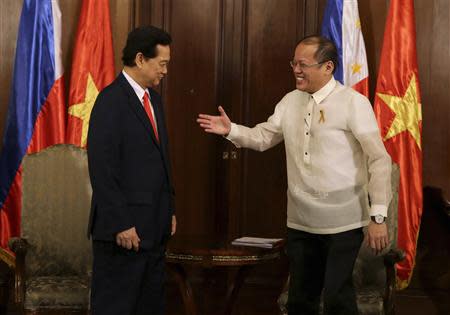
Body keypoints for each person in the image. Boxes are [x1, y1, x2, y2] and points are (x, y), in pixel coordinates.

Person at [197, 35, 392, 315]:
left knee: (338, 298)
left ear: (328, 67)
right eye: (294, 63)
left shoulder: (353, 103)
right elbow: (264, 137)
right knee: (300, 300)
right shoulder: (290, 101)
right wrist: (232, 130)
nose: (296, 70)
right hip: (300, 221)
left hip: (344, 223)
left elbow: (379, 160)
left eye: (304, 64)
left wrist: (378, 217)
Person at [87, 26, 176, 315]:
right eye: (161, 64)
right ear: (140, 59)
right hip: (124, 234)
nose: (165, 71)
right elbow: (102, 168)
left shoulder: (155, 101)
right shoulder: (110, 101)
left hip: (153, 230)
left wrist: (169, 209)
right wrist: (121, 223)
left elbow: (161, 162)